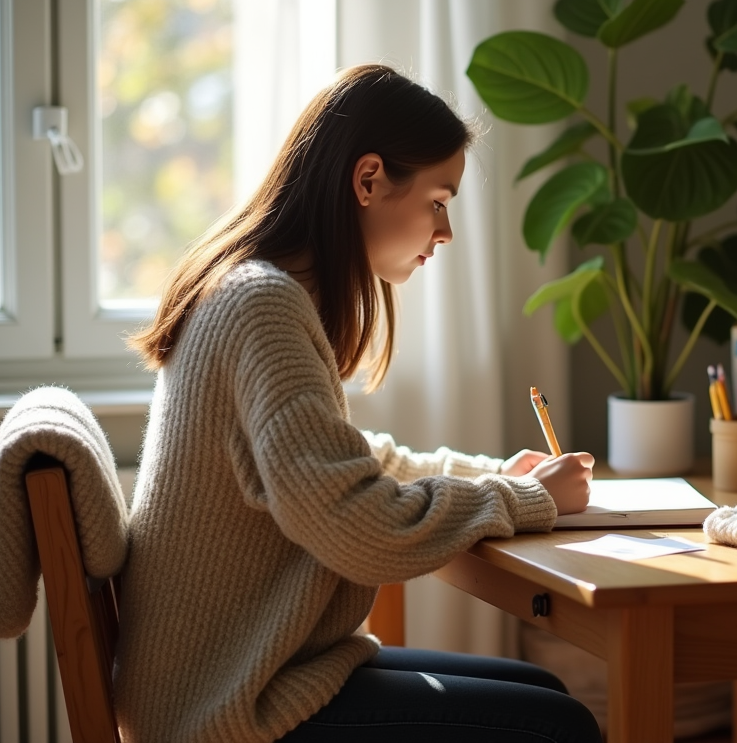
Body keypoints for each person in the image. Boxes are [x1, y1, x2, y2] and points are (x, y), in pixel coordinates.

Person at [120, 63, 602, 743]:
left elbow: (359, 466)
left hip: (238, 679)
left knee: (543, 692)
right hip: (228, 708)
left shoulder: (258, 290)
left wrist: (502, 477)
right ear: (369, 179)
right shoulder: (263, 305)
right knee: (562, 726)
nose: (446, 231)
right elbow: (357, 525)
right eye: (439, 200)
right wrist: (521, 499)